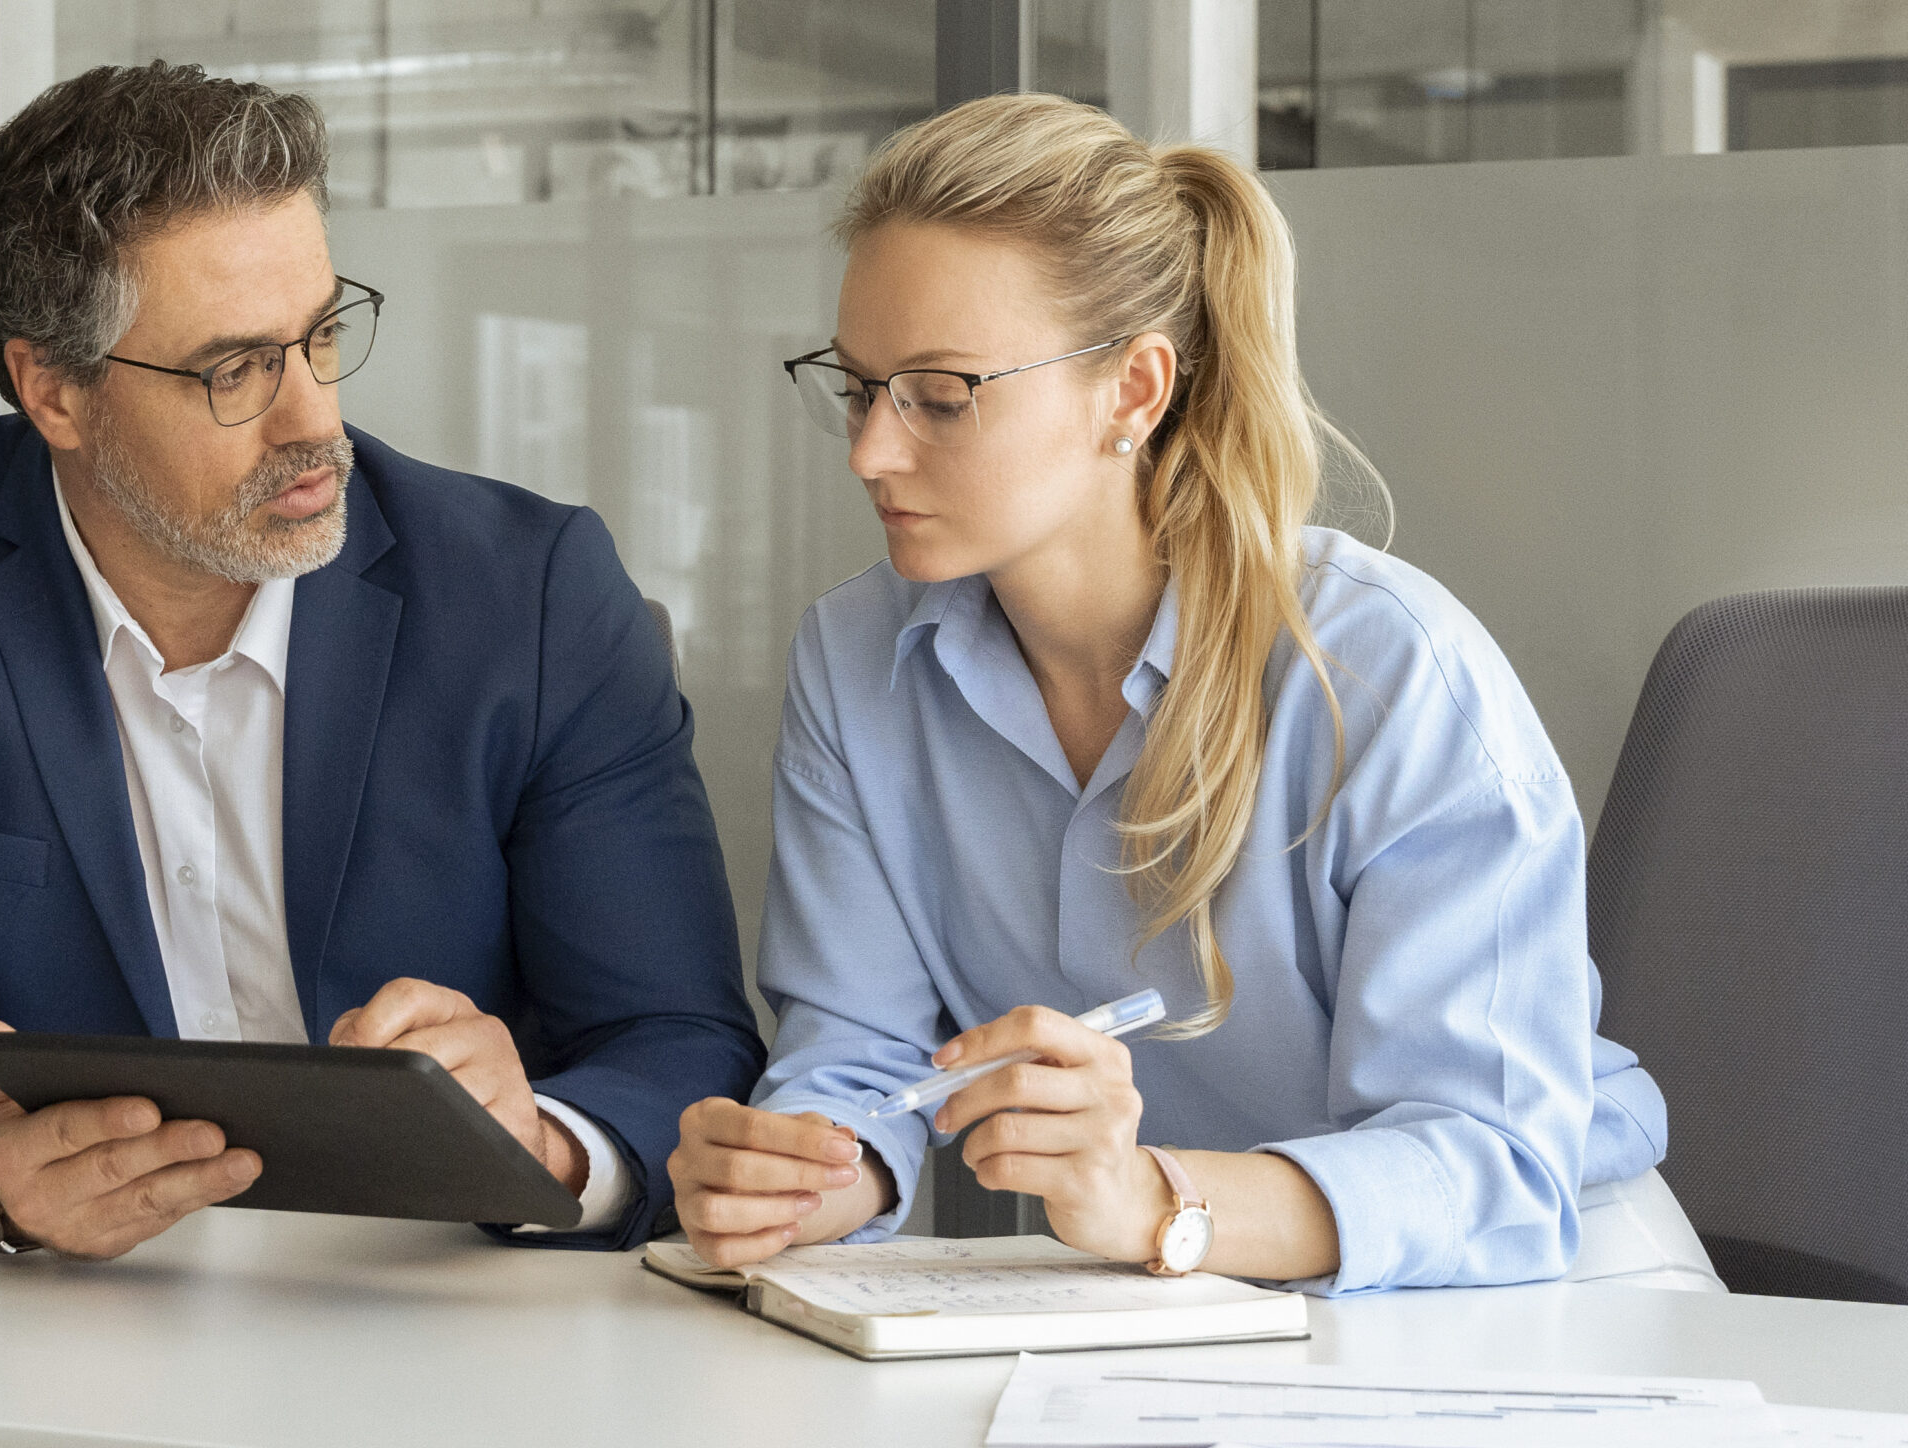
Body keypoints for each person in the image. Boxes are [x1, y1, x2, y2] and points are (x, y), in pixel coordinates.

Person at [668, 94, 1710, 1294]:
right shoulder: (854, 663)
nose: (869, 452)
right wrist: (790, 1176)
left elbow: (1488, 1165)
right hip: (1171, 1305)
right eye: (856, 388)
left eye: (939, 395)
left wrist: (1152, 1199)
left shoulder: (1387, 671)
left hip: (1539, 1291)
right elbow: (856, 1061)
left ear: (1132, 390)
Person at [0, 62, 762, 1257]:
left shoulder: (528, 596)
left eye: (323, 334)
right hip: (76, 1324)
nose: (313, 420)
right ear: (53, 390)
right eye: (233, 369)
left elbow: (680, 1035)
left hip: (454, 1306)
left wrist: (540, 1142)